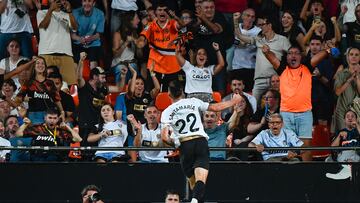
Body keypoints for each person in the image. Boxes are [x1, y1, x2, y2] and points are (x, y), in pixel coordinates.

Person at [161, 80, 242, 203]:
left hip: (184, 145)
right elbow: (215, 107)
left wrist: (176, 144)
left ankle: (194, 200)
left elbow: (164, 137)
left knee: (193, 184)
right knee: (201, 181)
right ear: (182, 92)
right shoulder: (193, 101)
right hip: (200, 143)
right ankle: (194, 201)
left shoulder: (166, 112)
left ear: (168, 94)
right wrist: (234, 101)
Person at [261, 43, 331, 161]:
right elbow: (272, 59)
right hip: (286, 114)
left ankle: (306, 175)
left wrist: (327, 50)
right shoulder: (283, 69)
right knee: (288, 146)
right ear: (287, 57)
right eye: (290, 53)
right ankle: (291, 174)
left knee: (305, 147)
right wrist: (266, 52)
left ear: (301, 57)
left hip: (305, 114)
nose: (293, 55)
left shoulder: (307, 67)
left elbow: (319, 57)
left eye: (296, 53)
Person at [137, 3, 184, 91]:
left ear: (168, 13)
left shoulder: (173, 23)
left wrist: (176, 17)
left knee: (171, 95)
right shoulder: (150, 25)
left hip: (172, 66)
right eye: (160, 10)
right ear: (155, 12)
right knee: (153, 92)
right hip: (155, 65)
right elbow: (142, 37)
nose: (162, 12)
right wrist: (141, 41)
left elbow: (182, 25)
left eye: (165, 10)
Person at [12, 56, 65, 124]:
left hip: (49, 115)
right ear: (34, 66)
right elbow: (17, 99)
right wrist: (20, 108)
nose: (40, 65)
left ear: (45, 66)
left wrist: (62, 112)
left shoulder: (50, 82)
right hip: (34, 115)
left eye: (43, 63)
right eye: (38, 63)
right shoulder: (28, 82)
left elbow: (57, 99)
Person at [16, 108, 82, 161]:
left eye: (54, 118)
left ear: (58, 119)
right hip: (37, 159)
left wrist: (67, 128)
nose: (52, 121)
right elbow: (18, 134)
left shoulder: (61, 131)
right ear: (45, 118)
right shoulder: (37, 128)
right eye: (50, 118)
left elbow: (78, 139)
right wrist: (25, 124)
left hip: (55, 160)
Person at [37, 0, 78, 85]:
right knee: (44, 84)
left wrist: (69, 11)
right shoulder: (41, 13)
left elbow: (75, 28)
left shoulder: (67, 15)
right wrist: (51, 10)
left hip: (66, 54)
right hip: (46, 53)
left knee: (70, 85)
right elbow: (43, 25)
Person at [231, 9, 261, 91]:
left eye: (252, 17)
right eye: (248, 16)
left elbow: (242, 44)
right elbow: (229, 40)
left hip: (250, 67)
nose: (250, 18)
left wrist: (235, 22)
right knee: (236, 94)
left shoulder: (258, 31)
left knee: (249, 93)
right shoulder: (235, 26)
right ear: (242, 16)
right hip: (236, 66)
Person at [326, 110, 360, 180]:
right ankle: (349, 171)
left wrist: (357, 125)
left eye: (352, 116)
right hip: (343, 156)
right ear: (344, 120)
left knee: (353, 155)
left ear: (356, 119)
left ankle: (345, 172)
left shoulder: (358, 131)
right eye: (347, 116)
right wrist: (339, 136)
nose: (350, 118)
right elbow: (333, 147)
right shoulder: (340, 132)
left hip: (356, 154)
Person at [71, 0, 105, 69]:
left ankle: (93, 78)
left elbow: (99, 34)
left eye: (89, 1)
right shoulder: (75, 13)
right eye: (84, 1)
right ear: (81, 2)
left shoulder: (100, 14)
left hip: (93, 43)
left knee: (93, 64)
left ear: (94, 3)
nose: (86, 4)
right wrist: (80, 39)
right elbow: (72, 35)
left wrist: (90, 38)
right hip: (78, 43)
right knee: (75, 65)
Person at [333, 47, 360, 133]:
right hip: (342, 112)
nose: (354, 57)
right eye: (351, 54)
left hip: (358, 112)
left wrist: (357, 77)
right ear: (347, 57)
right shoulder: (341, 74)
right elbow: (337, 92)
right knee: (344, 139)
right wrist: (350, 79)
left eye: (356, 55)